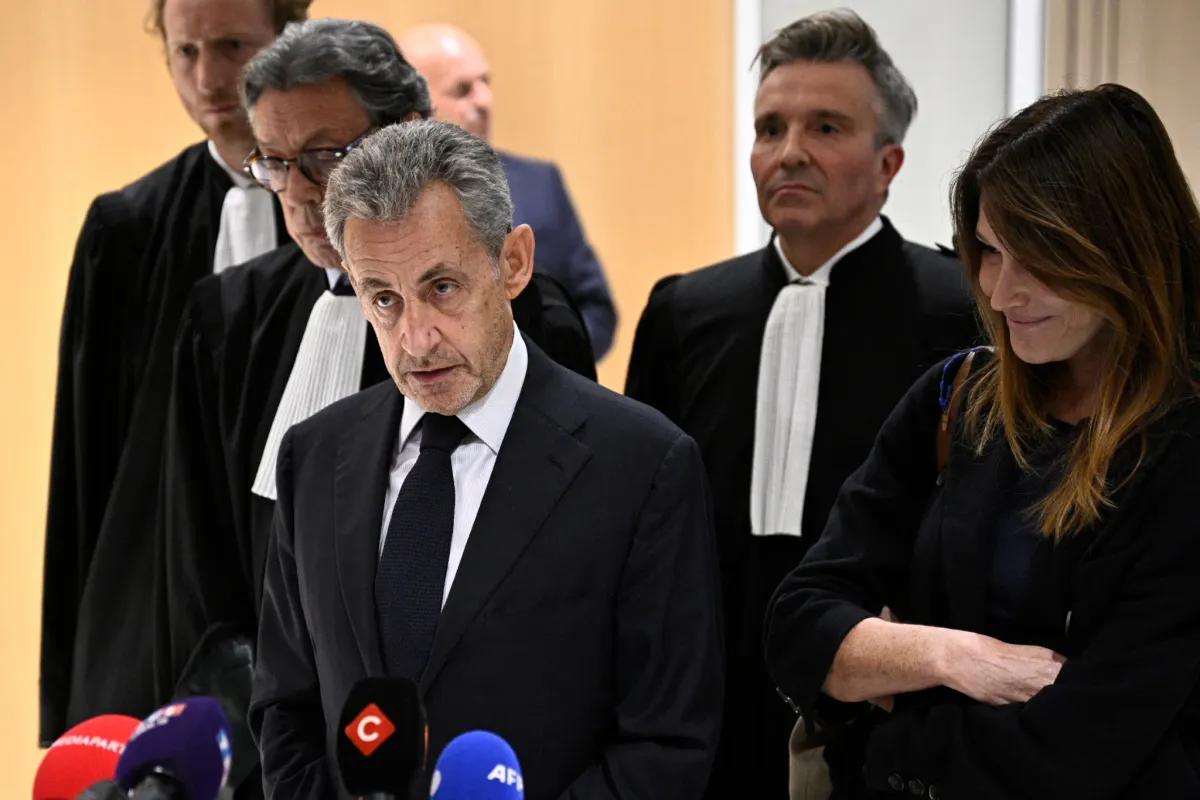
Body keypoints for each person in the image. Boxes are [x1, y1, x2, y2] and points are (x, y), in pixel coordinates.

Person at [154, 19, 596, 794]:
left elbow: (551, 573)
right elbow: (201, 576)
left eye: (325, 156)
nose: (300, 192)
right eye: (275, 161)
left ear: (408, 133)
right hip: (274, 751)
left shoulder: (524, 316)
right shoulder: (225, 318)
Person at [249, 120, 723, 800]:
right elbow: (285, 708)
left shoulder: (643, 466)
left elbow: (664, 744)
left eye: (442, 287)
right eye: (383, 298)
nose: (416, 339)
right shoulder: (314, 455)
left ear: (513, 262)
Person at [766, 83, 1200, 798]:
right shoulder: (958, 396)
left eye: (1038, 258)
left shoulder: (1180, 449)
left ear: (1126, 249)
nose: (1000, 294)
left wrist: (886, 712)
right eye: (992, 252)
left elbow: (1085, 747)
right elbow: (797, 624)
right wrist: (951, 657)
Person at [624, 11, 977, 798]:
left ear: (889, 162)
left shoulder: (962, 312)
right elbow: (642, 519)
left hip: (885, 707)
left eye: (825, 127)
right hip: (705, 697)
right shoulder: (683, 312)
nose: (789, 152)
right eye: (769, 128)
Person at [39, 0, 306, 747]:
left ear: (289, 39)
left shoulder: (342, 223)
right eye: (186, 51)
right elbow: (86, 461)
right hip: (153, 595)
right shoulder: (125, 228)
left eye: (233, 45)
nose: (208, 77)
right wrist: (69, 693)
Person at [399, 23, 618, 359]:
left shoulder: (540, 183)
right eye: (462, 90)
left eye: (485, 83)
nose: (484, 100)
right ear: (413, 112)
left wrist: (546, 367)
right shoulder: (383, 202)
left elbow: (595, 307)